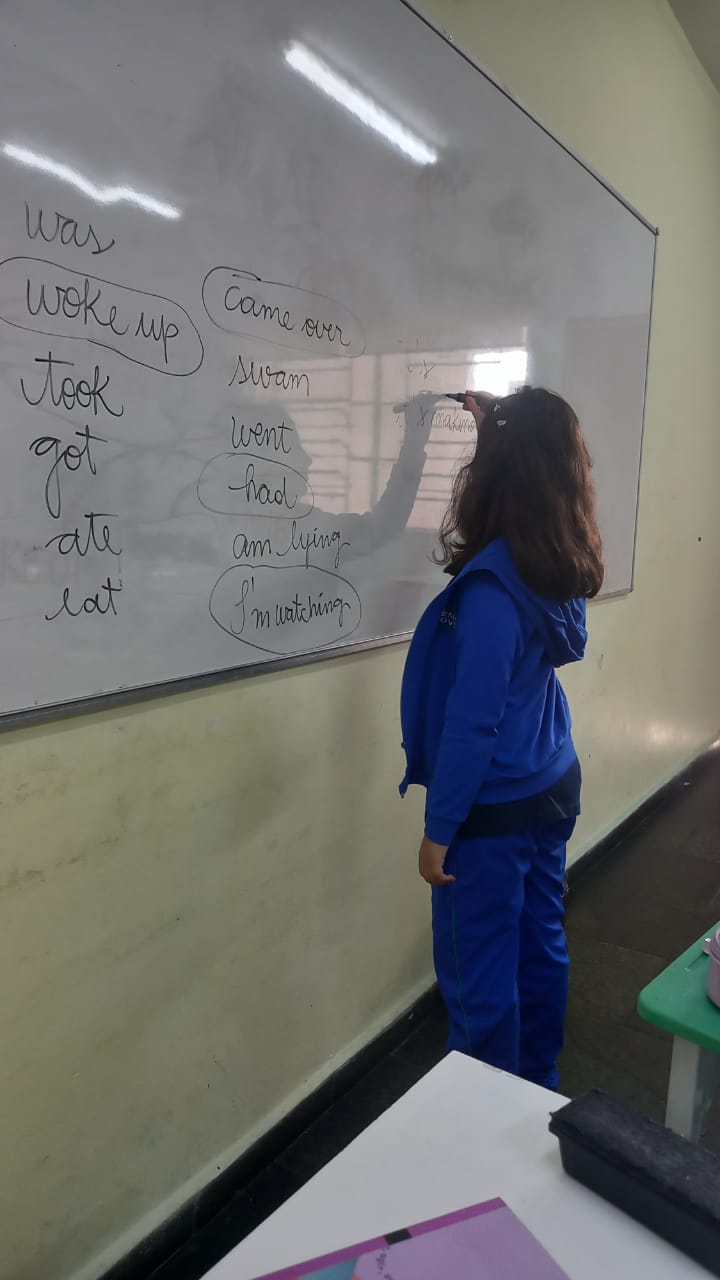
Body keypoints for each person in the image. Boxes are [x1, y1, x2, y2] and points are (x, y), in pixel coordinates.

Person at [399, 385, 604, 1090]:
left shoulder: (491, 590)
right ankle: (537, 1090)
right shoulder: (558, 563)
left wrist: (439, 830)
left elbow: (472, 724)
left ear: (493, 473)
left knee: (480, 980)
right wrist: (501, 429)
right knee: (540, 947)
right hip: (551, 782)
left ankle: (485, 1117)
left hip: (491, 814)